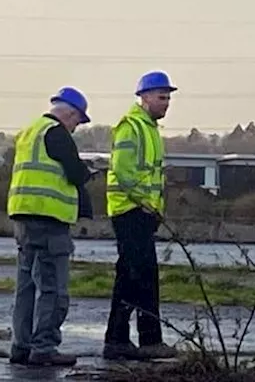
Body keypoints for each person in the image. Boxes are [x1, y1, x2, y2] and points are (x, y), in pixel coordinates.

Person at [7, 87, 94, 367]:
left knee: (26, 287)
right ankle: (44, 347)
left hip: (23, 217)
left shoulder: (29, 131)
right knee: (53, 288)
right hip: (48, 219)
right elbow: (75, 172)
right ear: (70, 113)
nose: (75, 128)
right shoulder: (57, 133)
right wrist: (89, 172)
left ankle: (21, 346)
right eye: (77, 122)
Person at [102, 71, 180, 361]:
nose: (167, 103)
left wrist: (155, 208)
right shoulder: (131, 127)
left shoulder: (149, 129)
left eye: (168, 98)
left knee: (139, 275)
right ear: (145, 97)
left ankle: (129, 339)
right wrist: (146, 203)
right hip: (130, 211)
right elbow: (123, 172)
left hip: (143, 213)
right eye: (162, 97)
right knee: (136, 276)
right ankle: (133, 340)